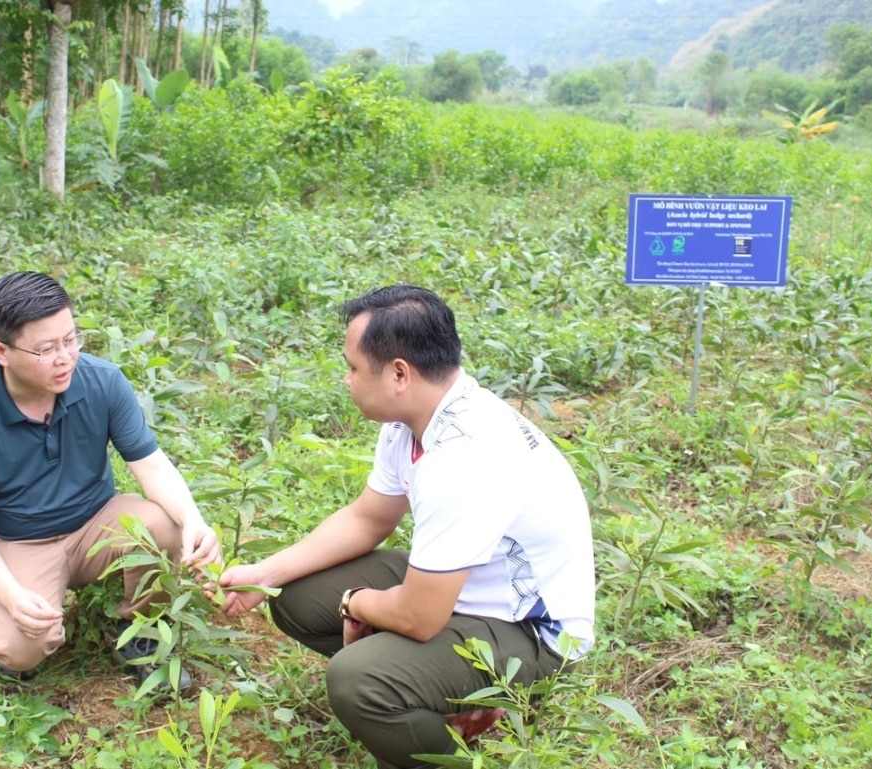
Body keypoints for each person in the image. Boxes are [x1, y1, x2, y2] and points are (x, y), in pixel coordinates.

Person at [218, 285, 595, 769]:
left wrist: (356, 603)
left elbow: (419, 616)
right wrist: (265, 573)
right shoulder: (411, 420)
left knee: (358, 680)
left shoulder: (463, 456)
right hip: (468, 592)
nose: (347, 380)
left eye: (353, 367)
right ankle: (443, 692)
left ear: (399, 372)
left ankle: (450, 741)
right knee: (293, 595)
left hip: (531, 632)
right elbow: (368, 517)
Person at [0, 271, 221, 685]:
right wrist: (12, 597)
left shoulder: (102, 382)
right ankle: (20, 628)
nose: (65, 357)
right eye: (46, 348)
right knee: (20, 651)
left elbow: (151, 466)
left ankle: (138, 630)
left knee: (168, 525)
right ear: (1, 351)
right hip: (20, 542)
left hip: (95, 523)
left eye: (70, 340)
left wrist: (194, 520)